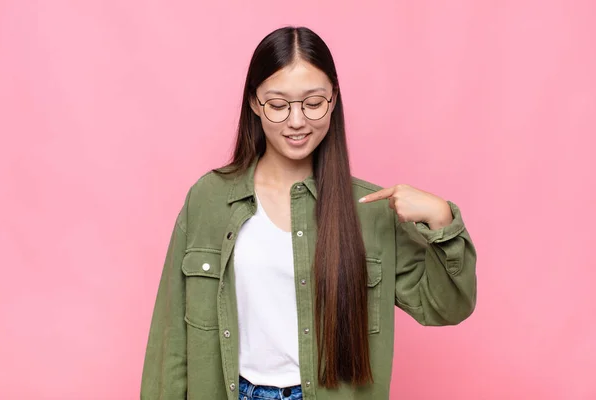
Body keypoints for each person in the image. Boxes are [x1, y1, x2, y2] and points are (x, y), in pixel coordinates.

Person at [140, 26, 477, 400]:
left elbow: (447, 307)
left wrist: (442, 220)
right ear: (254, 102)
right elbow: (170, 340)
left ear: (333, 100)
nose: (297, 121)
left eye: (313, 103)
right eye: (279, 104)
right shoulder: (208, 199)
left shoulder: (368, 211)